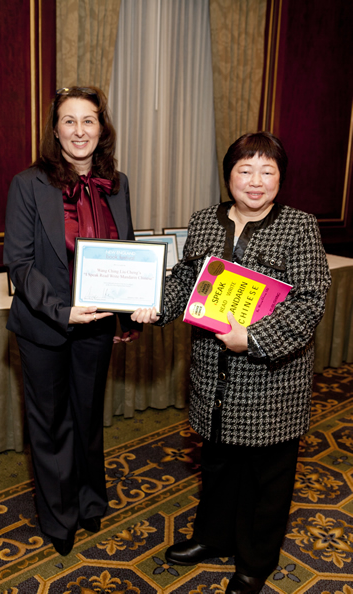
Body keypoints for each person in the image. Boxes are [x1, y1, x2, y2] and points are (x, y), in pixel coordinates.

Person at [131, 132, 331, 594]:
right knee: (217, 464)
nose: (256, 182)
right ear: (229, 174)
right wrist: (153, 304)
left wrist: (254, 339)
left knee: (268, 478)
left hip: (271, 379)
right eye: (246, 170)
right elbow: (185, 280)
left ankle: (255, 560)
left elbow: (309, 302)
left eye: (267, 171)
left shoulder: (299, 226)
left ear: (281, 177)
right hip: (212, 375)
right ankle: (212, 537)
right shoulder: (205, 219)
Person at [3, 86, 140, 557]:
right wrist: (63, 311)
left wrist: (127, 314)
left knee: (87, 416)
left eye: (89, 120)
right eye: (69, 120)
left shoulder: (117, 182)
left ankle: (89, 499)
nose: (79, 130)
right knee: (50, 423)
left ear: (102, 129)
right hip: (45, 325)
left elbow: (127, 250)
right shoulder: (29, 183)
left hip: (98, 324)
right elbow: (19, 264)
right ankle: (59, 515)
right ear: (55, 128)